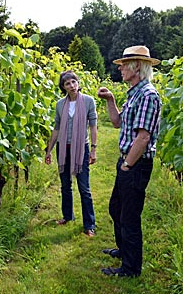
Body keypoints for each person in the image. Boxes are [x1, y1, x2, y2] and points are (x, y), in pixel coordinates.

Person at [97, 45, 162, 277]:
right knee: (117, 208)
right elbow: (117, 122)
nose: (121, 68)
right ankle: (124, 251)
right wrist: (110, 99)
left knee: (130, 216)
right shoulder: (134, 93)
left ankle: (131, 268)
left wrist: (127, 165)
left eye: (124, 65)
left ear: (137, 67)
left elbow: (143, 137)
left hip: (135, 164)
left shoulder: (148, 95)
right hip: (127, 161)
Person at [45, 70, 98, 237]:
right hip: (63, 148)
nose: (72, 85)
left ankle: (89, 224)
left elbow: (93, 126)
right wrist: (49, 150)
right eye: (67, 83)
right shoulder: (60, 104)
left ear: (78, 82)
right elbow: (57, 128)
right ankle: (67, 216)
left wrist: (94, 148)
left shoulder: (89, 101)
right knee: (65, 186)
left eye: (74, 82)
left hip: (81, 148)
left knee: (84, 188)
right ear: (64, 87)